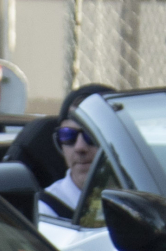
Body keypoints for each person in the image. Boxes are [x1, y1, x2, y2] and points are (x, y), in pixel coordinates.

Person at [12, 85, 114, 220]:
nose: (80, 147)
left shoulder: (145, 196)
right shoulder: (45, 212)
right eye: (68, 135)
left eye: (92, 135)